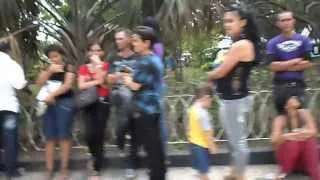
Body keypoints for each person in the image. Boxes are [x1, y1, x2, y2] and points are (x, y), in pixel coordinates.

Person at [207, 6, 261, 180]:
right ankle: (234, 171)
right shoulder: (239, 43)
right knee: (233, 141)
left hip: (235, 101)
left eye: (230, 21)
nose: (227, 25)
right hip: (233, 99)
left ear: (243, 22)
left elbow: (221, 72)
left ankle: (241, 175)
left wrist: (210, 74)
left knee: (238, 143)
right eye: (225, 21)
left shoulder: (241, 45)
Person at [122, 26, 166, 180]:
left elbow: (136, 85)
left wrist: (126, 79)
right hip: (153, 107)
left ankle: (156, 176)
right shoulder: (154, 58)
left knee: (151, 147)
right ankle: (159, 174)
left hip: (144, 109)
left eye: (136, 41)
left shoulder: (145, 61)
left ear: (146, 42)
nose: (133, 43)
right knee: (155, 146)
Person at [267, 10, 314, 127]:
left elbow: (309, 63)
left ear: (294, 21)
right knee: (283, 120)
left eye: (289, 19)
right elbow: (272, 66)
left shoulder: (304, 40)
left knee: (303, 118)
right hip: (279, 87)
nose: (286, 23)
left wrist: (283, 66)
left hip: (299, 85)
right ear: (278, 23)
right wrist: (294, 62)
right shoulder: (272, 43)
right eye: (283, 20)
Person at [36, 45, 75, 180]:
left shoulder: (68, 67)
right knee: (50, 137)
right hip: (48, 105)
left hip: (64, 103)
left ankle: (64, 168)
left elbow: (68, 85)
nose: (53, 59)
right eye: (51, 57)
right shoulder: (47, 67)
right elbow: (39, 83)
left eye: (56, 56)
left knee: (64, 136)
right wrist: (49, 71)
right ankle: (49, 169)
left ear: (62, 55)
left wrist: (52, 95)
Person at [107, 28, 140, 178]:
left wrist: (132, 76)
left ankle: (131, 165)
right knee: (122, 125)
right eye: (116, 39)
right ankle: (119, 140)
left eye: (120, 39)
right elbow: (107, 79)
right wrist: (112, 78)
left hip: (136, 95)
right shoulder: (113, 57)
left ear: (128, 40)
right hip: (119, 96)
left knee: (134, 131)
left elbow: (142, 76)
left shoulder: (139, 56)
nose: (117, 42)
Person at [78, 42, 110, 180]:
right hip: (88, 103)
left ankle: (97, 167)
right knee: (89, 134)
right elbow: (81, 85)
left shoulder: (106, 66)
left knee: (99, 134)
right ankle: (93, 156)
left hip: (102, 102)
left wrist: (98, 67)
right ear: (88, 53)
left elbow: (104, 82)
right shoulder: (83, 68)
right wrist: (96, 81)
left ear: (102, 52)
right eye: (93, 51)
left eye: (98, 50)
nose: (96, 53)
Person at [271, 90, 319, 179]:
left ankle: (316, 176)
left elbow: (314, 132)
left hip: (304, 158)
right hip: (287, 158)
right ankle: (283, 174)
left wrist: (299, 134)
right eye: (291, 98)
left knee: (310, 141)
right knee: (293, 143)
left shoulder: (305, 113)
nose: (295, 98)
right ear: (286, 105)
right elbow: (274, 141)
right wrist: (287, 136)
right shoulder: (280, 119)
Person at [0, 36, 27, 179]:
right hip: (8, 107)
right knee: (10, 141)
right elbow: (19, 84)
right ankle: (10, 172)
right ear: (10, 49)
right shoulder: (12, 65)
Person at [187, 86, 217, 180]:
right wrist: (212, 146)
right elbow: (207, 133)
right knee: (204, 174)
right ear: (207, 98)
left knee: (200, 171)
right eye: (211, 101)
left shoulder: (192, 109)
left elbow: (188, 127)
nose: (210, 104)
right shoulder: (203, 114)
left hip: (193, 144)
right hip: (202, 147)